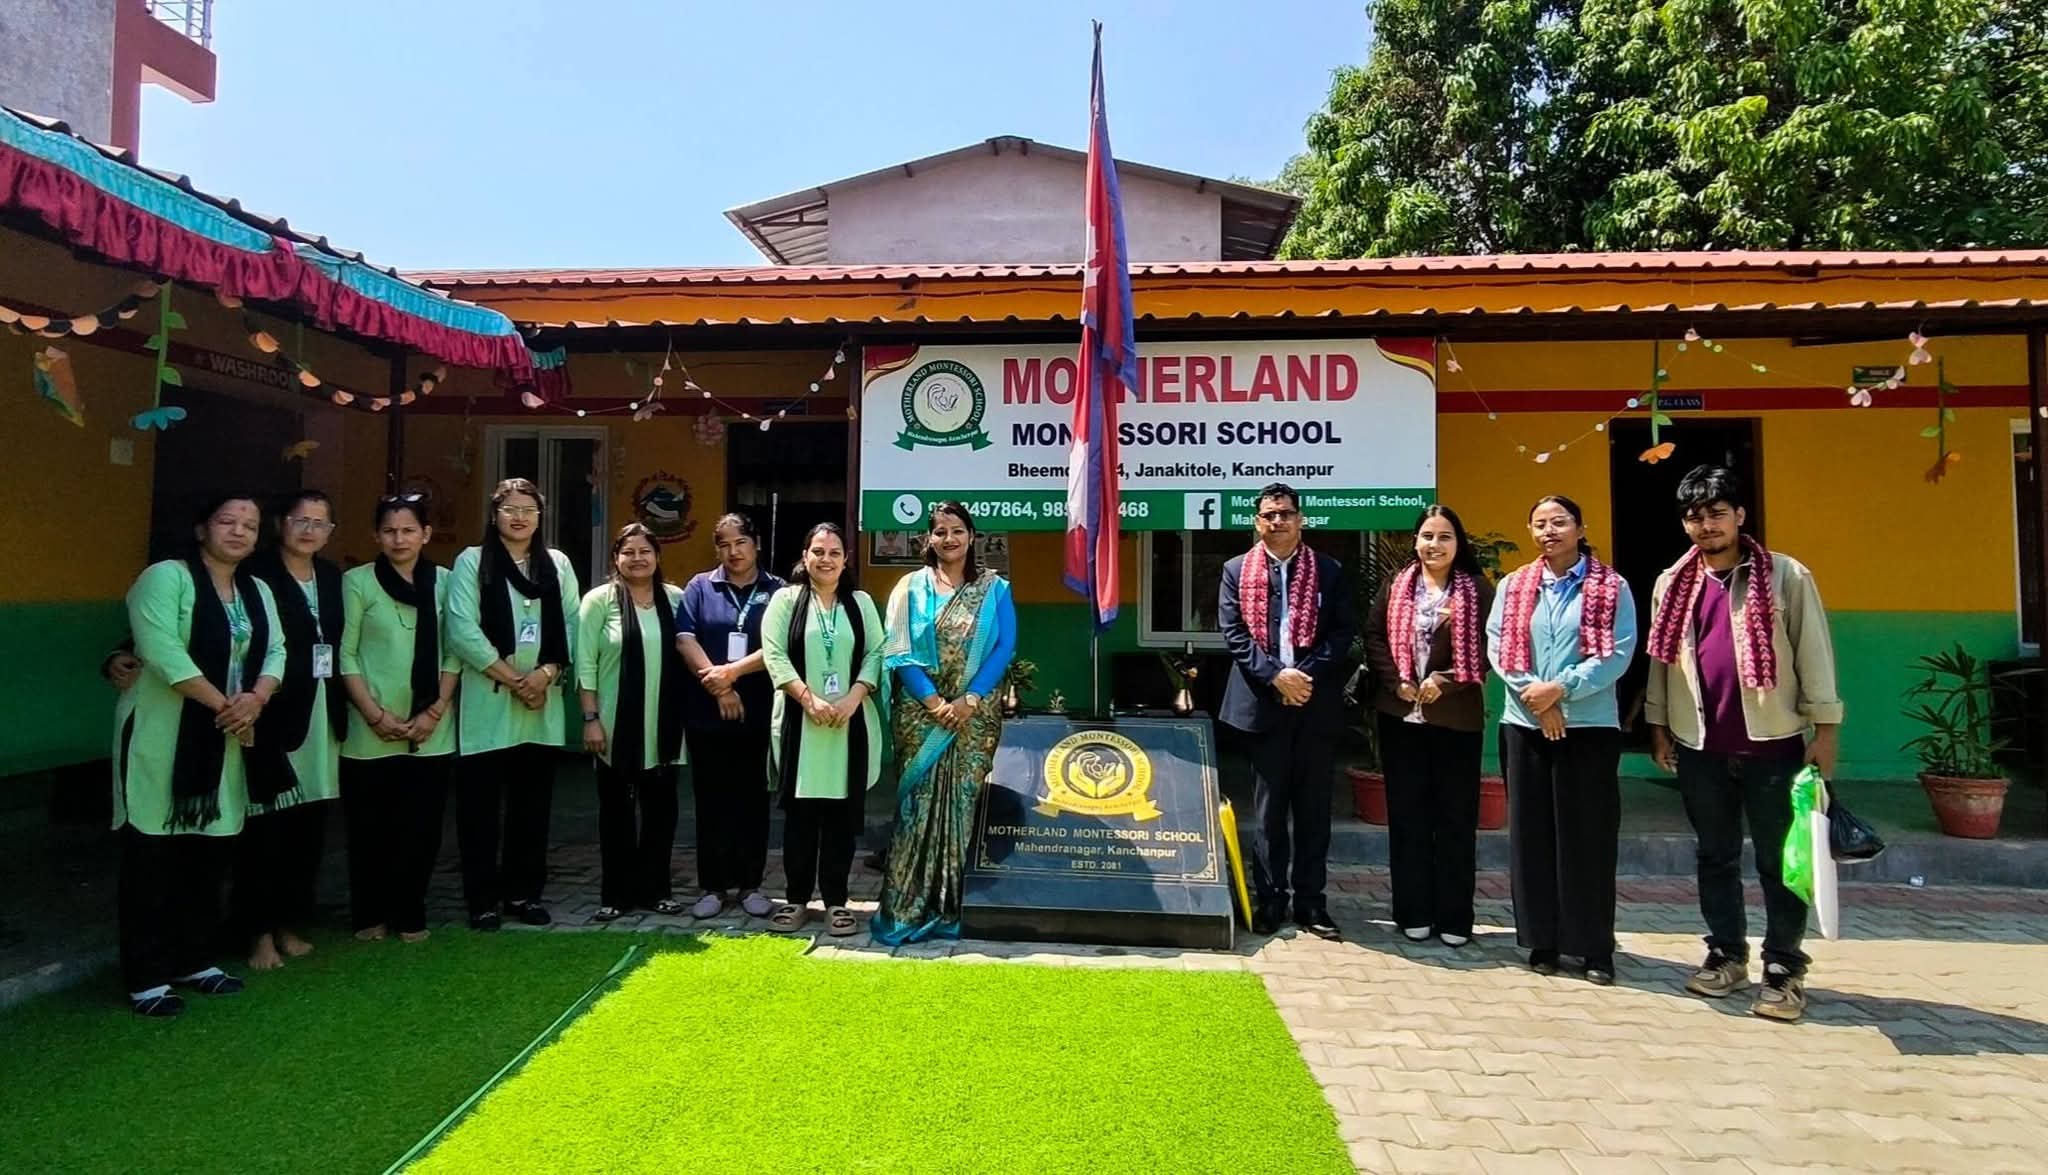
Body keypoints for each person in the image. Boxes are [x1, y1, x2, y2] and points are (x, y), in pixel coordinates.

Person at [1646, 465, 1844, 1023]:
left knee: (1783, 862)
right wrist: (1658, 726)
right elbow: (1662, 661)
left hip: (1774, 743)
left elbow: (1813, 652)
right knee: (1715, 854)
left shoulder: (1785, 576)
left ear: (1739, 515)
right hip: (1699, 744)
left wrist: (1825, 730)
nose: (1706, 526)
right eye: (1695, 517)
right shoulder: (1673, 582)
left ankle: (1783, 967)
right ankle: (1726, 953)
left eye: (1716, 513)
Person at [115, 493, 285, 1016]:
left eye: (249, 526)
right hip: (162, 735)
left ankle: (195, 959)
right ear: (200, 528)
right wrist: (226, 705)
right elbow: (161, 650)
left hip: (227, 738)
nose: (238, 532)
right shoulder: (167, 578)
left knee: (207, 854)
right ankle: (147, 977)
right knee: (152, 856)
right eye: (226, 521)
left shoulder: (257, 590)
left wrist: (257, 697)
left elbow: (276, 650)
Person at [1486, 494, 1638, 985]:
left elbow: (1618, 653)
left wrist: (1562, 690)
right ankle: (1542, 941)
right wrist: (1540, 698)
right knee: (1532, 836)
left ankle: (1594, 948)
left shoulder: (1611, 587)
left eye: (1559, 522)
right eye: (1540, 524)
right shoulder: (1514, 586)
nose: (1549, 531)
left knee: (1588, 837)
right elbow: (1499, 647)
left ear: (1580, 528)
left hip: (1589, 727)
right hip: (1525, 724)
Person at [872, 502, 1017, 945]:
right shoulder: (909, 588)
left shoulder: (994, 590)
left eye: (957, 530)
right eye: (940, 531)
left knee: (961, 808)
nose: (948, 539)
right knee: (916, 810)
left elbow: (1004, 646)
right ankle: (904, 908)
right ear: (928, 539)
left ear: (972, 536)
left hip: (973, 716)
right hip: (921, 716)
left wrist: (970, 699)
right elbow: (898, 651)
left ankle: (952, 906)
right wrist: (935, 703)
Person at [1218, 482, 1356, 940]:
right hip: (1263, 705)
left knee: (1314, 811)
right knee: (1269, 810)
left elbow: (1342, 633)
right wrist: (1276, 676)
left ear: (1301, 520)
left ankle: (1312, 903)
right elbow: (1233, 633)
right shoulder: (1235, 570)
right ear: (1257, 522)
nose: (1277, 521)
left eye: (1285, 513)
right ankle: (1271, 900)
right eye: (1269, 514)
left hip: (1314, 704)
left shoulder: (1330, 571)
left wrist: (1302, 677)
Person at [446, 478, 580, 931]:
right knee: (480, 811)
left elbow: (571, 622)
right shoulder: (473, 561)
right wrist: (514, 678)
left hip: (541, 703)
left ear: (540, 518)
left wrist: (546, 674)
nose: (519, 517)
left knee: (532, 809)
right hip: (489, 701)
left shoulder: (556, 564)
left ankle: (525, 894)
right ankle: (482, 900)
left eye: (528, 510)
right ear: (494, 515)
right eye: (510, 509)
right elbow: (462, 628)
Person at [1363, 505, 1496, 948]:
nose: (1434, 545)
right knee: (1408, 818)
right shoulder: (1396, 584)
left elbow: (1490, 646)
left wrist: (1448, 680)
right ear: (1415, 541)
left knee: (1455, 819)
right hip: (1401, 717)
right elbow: (1374, 636)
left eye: (1444, 537)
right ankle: (1413, 912)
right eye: (1427, 536)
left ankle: (1455, 917)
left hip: (1455, 720)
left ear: (1458, 544)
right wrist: (1396, 680)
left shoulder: (1477, 589)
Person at [338, 492, 459, 944]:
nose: (399, 539)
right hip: (369, 728)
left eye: (408, 530)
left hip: (431, 727)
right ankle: (369, 913)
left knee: (421, 828)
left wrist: (435, 709)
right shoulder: (357, 582)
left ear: (426, 534)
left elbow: (455, 651)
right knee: (370, 827)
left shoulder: (445, 582)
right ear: (376, 536)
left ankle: (411, 912)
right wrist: (373, 714)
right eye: (389, 531)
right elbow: (345, 654)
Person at [235, 490, 347, 970]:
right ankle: (256, 932)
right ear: (280, 523)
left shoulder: (332, 576)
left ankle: (290, 922)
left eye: (320, 523)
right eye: (301, 520)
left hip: (324, 715)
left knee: (307, 829)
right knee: (266, 831)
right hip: (275, 714)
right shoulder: (255, 574)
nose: (309, 530)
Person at [760, 523, 885, 937]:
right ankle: (796, 899)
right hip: (801, 723)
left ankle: (836, 902)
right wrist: (808, 699)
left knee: (840, 820)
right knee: (800, 819)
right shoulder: (786, 600)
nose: (825, 559)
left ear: (845, 559)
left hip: (849, 724)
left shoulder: (860, 603)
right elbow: (775, 654)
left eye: (834, 552)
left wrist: (853, 698)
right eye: (818, 551)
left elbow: (877, 652)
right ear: (805, 556)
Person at [676, 513, 784, 921]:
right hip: (707, 714)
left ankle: (751, 885)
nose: (733, 551)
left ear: (756, 544)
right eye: (724, 544)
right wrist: (719, 686)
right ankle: (713, 886)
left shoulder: (777, 590)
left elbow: (779, 645)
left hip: (758, 713)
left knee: (752, 801)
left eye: (740, 542)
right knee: (711, 801)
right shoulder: (701, 587)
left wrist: (732, 674)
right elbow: (685, 638)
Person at [576, 523, 688, 921]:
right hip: (613, 726)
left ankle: (657, 890)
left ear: (657, 556)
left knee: (661, 815)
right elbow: (585, 664)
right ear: (615, 558)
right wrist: (590, 718)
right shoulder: (598, 601)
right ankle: (616, 894)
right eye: (629, 552)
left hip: (664, 727)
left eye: (645, 551)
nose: (637, 559)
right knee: (616, 815)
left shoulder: (675, 599)